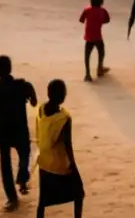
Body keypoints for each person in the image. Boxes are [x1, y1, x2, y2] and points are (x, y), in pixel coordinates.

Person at [0, 55, 37, 212]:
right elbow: (34, 101)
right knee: (24, 155)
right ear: (10, 68)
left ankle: (12, 198)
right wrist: (31, 96)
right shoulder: (22, 85)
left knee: (5, 165)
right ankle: (22, 177)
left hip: (3, 132)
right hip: (20, 130)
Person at [35, 79, 84, 218]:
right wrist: (74, 167)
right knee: (78, 193)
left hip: (44, 161)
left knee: (43, 200)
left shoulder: (41, 109)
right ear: (63, 96)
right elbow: (68, 145)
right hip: (59, 165)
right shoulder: (64, 118)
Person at [79, 0, 110, 82]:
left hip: (88, 37)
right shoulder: (103, 10)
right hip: (98, 36)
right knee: (101, 52)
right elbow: (107, 20)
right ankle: (100, 68)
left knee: (87, 55)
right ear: (101, 2)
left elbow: (81, 20)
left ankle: (87, 74)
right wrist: (99, 22)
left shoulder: (87, 10)